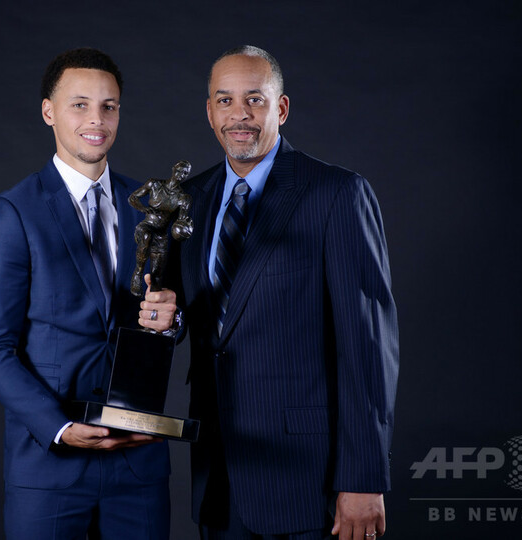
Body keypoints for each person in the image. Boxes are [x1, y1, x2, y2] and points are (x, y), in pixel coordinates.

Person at [171, 45, 400, 539]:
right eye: (225, 100)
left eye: (254, 100)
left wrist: (363, 479)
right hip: (219, 477)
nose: (239, 115)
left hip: (307, 480)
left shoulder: (335, 193)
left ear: (282, 107)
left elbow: (366, 348)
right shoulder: (189, 200)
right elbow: (192, 316)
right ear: (209, 111)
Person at [0, 48, 178, 539]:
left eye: (109, 106)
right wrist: (58, 427)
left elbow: (166, 317)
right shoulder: (13, 213)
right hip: (50, 464)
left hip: (137, 466)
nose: (96, 120)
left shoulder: (149, 208)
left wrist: (172, 319)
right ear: (49, 112)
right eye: (79, 105)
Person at [128, 160, 194, 297]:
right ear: (174, 168)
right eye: (180, 170)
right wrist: (144, 209)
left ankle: (154, 305)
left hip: (161, 235)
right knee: (146, 236)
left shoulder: (183, 198)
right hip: (146, 226)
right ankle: (138, 273)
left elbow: (181, 221)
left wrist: (186, 229)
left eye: (185, 173)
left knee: (156, 278)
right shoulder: (154, 184)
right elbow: (133, 198)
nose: (181, 175)